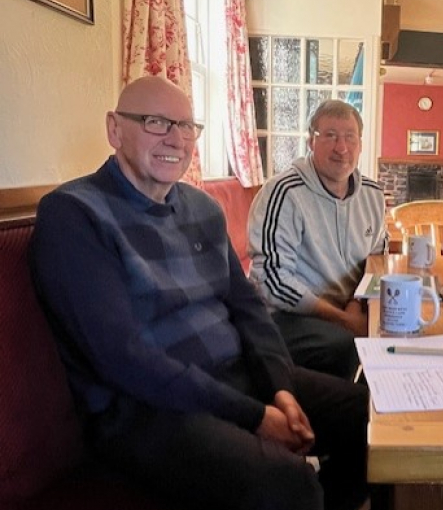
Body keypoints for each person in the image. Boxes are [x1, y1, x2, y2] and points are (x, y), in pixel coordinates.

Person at [29, 76, 368, 510]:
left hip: (234, 376)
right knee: (288, 485)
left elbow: (248, 307)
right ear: (115, 129)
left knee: (368, 415)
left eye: (187, 126)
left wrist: (280, 387)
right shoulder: (75, 215)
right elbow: (122, 357)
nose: (175, 138)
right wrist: (256, 416)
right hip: (144, 409)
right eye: (156, 122)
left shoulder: (201, 207)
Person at [248, 99, 387, 380]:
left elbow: (376, 263)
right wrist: (345, 321)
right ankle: (338, 416)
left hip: (345, 309)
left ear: (361, 144)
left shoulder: (373, 195)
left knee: (403, 332)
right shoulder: (285, 192)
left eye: (350, 137)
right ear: (311, 141)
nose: (341, 148)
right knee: (344, 345)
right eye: (330, 136)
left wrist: (355, 307)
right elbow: (272, 281)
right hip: (287, 315)